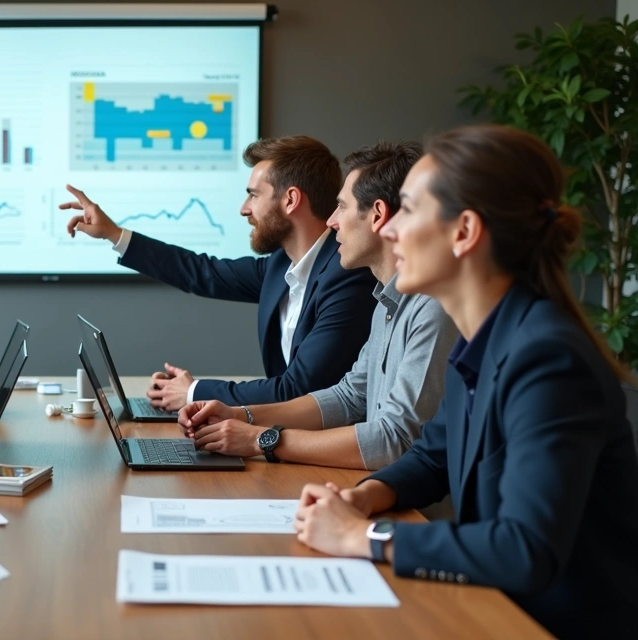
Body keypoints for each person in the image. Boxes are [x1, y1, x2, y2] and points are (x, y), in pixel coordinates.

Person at [292, 125, 638, 639]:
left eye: (409, 210)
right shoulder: (485, 338)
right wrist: (365, 497)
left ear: (465, 232)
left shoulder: (549, 359)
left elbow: (524, 549)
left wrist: (363, 537)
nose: (390, 229)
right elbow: (434, 456)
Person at [176, 141, 459, 470]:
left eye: (342, 207)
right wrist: (241, 415)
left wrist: (261, 439)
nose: (332, 220)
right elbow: (348, 397)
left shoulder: (433, 308)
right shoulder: (385, 301)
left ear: (378, 215)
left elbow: (394, 440)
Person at [62, 136, 377, 410]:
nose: (244, 208)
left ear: (291, 200)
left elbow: (298, 390)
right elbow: (202, 271)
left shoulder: (347, 276)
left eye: (254, 195)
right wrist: (113, 234)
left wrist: (192, 392)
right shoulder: (280, 265)